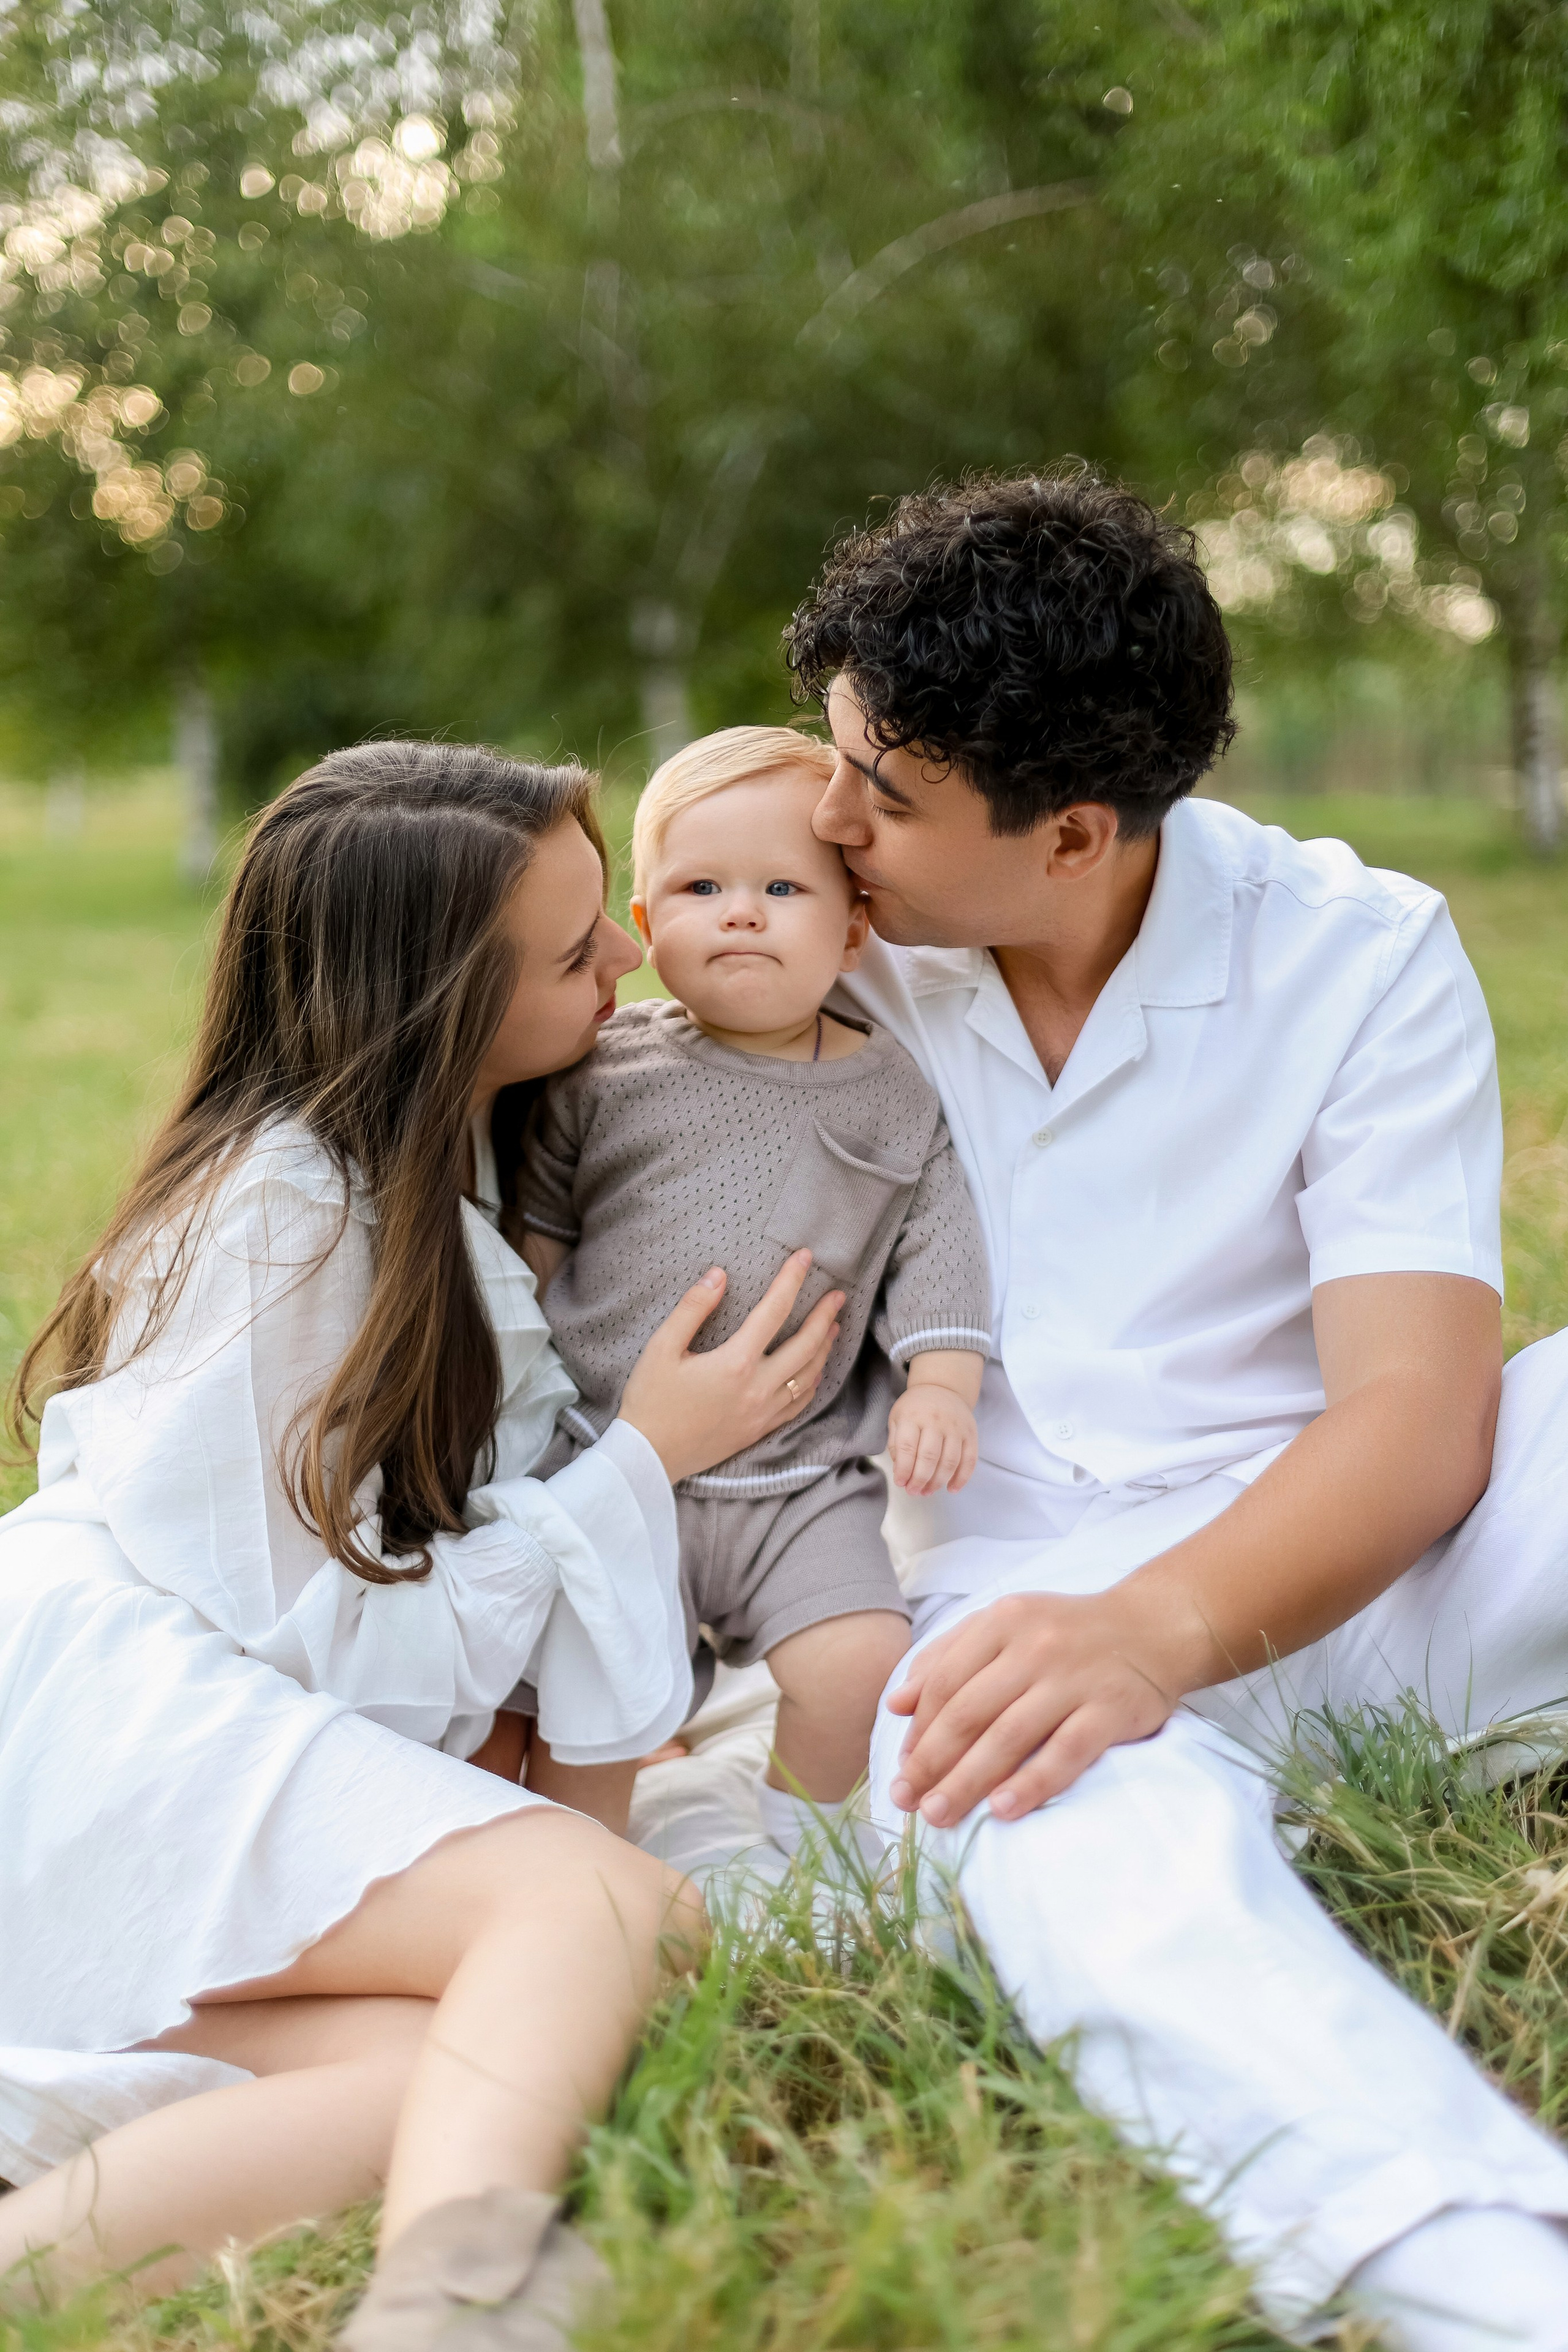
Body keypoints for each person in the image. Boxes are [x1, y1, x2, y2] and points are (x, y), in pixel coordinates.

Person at [771, 470, 1568, 2348]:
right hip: (1003, 1615)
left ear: (1071, 836)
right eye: (836, 761)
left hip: (1363, 1574)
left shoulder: (1353, 952)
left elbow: (1418, 1413)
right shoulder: (824, 957)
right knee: (1036, 1806)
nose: (830, 821)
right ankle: (1484, 2277)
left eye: (883, 794)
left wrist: (1170, 1626)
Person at [0, 741, 843, 2350]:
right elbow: (311, 1636)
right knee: (602, 1913)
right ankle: (452, 2298)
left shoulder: (437, 1170)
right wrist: (649, 1459)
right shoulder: (279, 1215)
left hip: (193, 1707)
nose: (631, 955)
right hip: (109, 1721)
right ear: (439, 995)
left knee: (437, 2060)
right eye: (575, 946)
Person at [511, 726, 991, 1853]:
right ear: (643, 927)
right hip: (614, 1467)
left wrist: (944, 1386)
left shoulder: (890, 1092)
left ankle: (801, 1852)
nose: (740, 912)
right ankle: (583, 1867)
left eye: (783, 887)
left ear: (852, 928)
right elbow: (536, 1230)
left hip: (801, 1480)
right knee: (586, 1697)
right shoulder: (605, 1070)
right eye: (700, 887)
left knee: (861, 1658)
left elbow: (940, 1238)